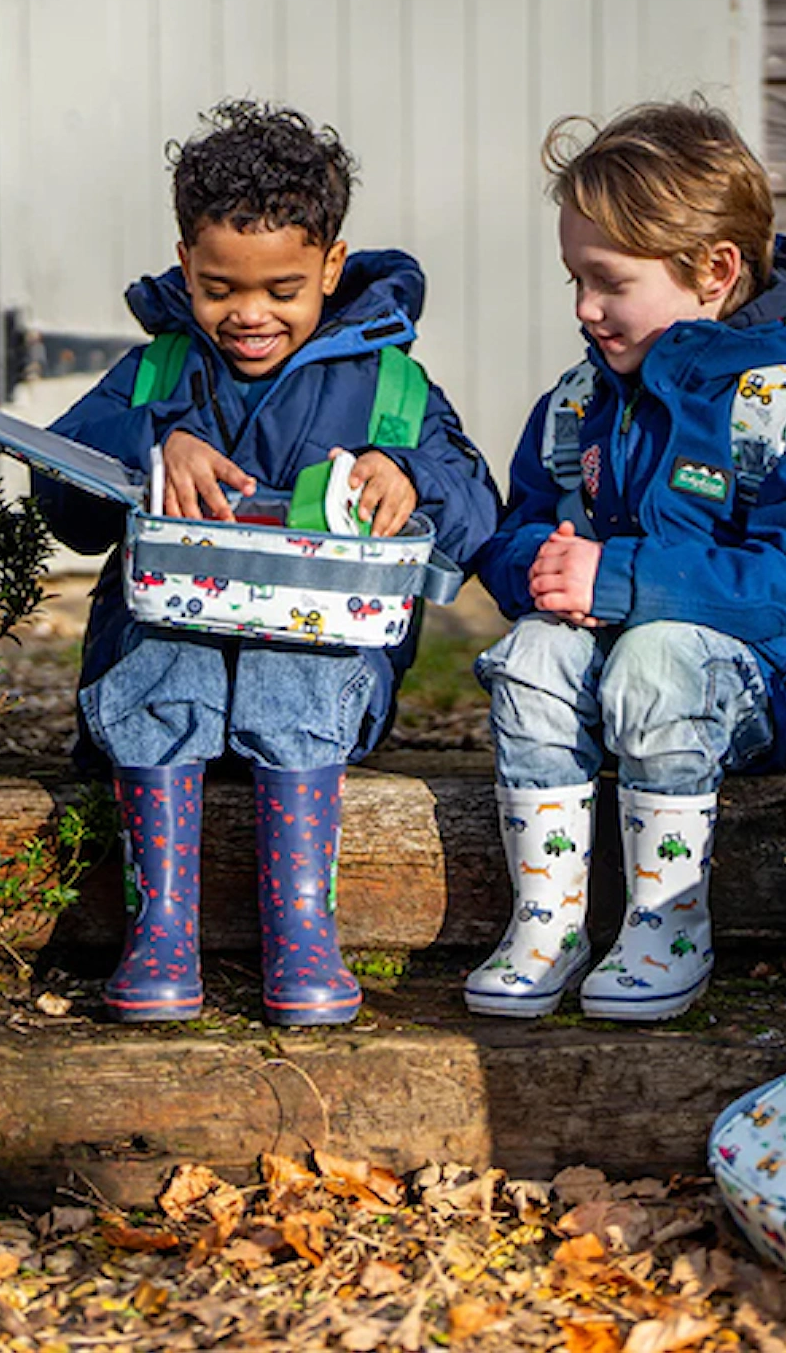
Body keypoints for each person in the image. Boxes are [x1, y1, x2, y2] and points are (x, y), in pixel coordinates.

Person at [35, 99, 499, 1027]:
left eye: (282, 289)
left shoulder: (390, 386)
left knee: (298, 654)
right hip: (163, 692)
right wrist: (152, 447)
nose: (249, 315)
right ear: (185, 265)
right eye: (219, 289)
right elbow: (65, 501)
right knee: (167, 648)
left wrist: (407, 478)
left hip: (319, 696)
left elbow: (474, 506)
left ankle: (302, 932)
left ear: (331, 264)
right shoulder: (158, 376)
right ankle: (161, 928)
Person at [464, 99, 786, 1023]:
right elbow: (520, 521)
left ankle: (665, 923)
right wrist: (535, 566)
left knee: (656, 658)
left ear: (714, 272)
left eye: (607, 281)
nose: (583, 308)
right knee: (531, 654)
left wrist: (621, 579)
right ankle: (549, 919)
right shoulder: (581, 403)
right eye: (572, 278)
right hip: (604, 670)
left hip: (745, 689)